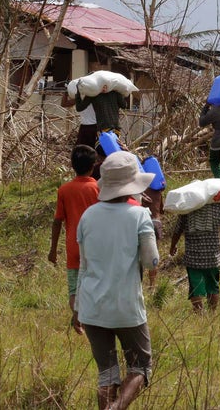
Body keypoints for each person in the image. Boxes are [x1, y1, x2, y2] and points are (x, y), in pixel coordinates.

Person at [73, 151, 158, 409]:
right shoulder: (140, 216)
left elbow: (83, 265)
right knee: (141, 367)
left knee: (107, 373)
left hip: (91, 305)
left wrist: (77, 307)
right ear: (132, 185)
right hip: (126, 307)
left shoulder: (88, 216)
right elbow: (150, 261)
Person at [48, 145, 99, 332]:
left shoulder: (64, 190)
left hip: (73, 246)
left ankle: (78, 316)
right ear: (93, 166)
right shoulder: (98, 188)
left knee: (73, 288)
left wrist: (53, 250)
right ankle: (88, 320)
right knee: (94, 283)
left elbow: (57, 221)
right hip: (95, 246)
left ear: (72, 166)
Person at [169, 196, 220, 313]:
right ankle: (212, 313)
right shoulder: (218, 208)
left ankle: (199, 315)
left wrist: (173, 246)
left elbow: (177, 230)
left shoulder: (187, 209)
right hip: (212, 257)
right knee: (212, 286)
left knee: (195, 287)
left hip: (193, 257)